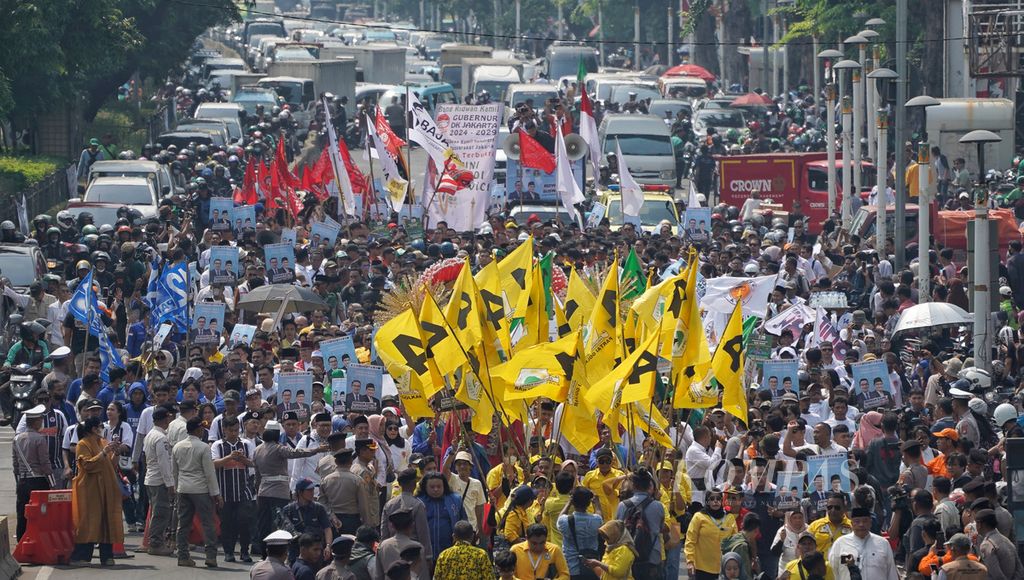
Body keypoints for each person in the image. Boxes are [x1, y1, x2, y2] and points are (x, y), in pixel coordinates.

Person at [69, 417, 124, 566]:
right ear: (93, 429)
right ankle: (81, 556)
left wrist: (116, 452)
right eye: (100, 426)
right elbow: (87, 465)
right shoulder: (82, 444)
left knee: (107, 520)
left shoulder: (103, 442)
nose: (102, 429)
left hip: (106, 488)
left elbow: (111, 464)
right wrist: (104, 453)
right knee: (89, 521)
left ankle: (107, 556)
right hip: (90, 489)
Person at [172, 415, 222, 568]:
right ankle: (211, 556)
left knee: (183, 524)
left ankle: (182, 555)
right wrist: (216, 494)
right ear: (199, 429)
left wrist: (176, 488)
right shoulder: (203, 447)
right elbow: (209, 473)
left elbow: (175, 471)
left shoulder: (177, 447)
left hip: (183, 488)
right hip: (200, 489)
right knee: (208, 523)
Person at [211, 415, 256, 562]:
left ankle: (244, 551)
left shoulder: (246, 444)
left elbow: (253, 464)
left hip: (243, 490)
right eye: (231, 430)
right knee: (227, 523)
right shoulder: (217, 445)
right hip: (225, 491)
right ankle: (228, 552)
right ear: (224, 430)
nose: (234, 433)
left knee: (244, 522)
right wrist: (230, 457)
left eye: (236, 430)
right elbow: (214, 464)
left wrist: (242, 459)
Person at [13, 404, 52, 540]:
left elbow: (15, 464)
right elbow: (44, 463)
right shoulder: (40, 439)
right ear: (36, 422)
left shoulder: (17, 439)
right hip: (38, 481)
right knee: (40, 513)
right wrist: (51, 481)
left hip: (23, 481)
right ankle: (37, 542)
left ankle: (22, 540)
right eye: (40, 420)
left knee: (23, 513)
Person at [827, 507, 899, 580]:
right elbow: (834, 571)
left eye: (865, 521)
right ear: (852, 524)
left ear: (870, 523)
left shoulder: (883, 543)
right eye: (857, 521)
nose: (861, 524)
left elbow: (891, 572)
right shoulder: (840, 543)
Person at [143, 405, 176, 556]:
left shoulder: (150, 434)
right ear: (165, 419)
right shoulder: (161, 438)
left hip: (151, 478)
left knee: (157, 512)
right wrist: (170, 483)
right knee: (161, 513)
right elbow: (164, 462)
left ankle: (155, 541)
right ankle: (156, 544)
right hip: (159, 480)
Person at [685, 489, 738, 580]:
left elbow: (735, 541)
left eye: (718, 498)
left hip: (724, 567)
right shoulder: (699, 517)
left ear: (722, 501)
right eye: (712, 499)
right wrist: (690, 562)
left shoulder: (730, 517)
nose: (715, 501)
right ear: (707, 501)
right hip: (702, 567)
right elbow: (690, 540)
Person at [321, 448, 372, 535]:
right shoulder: (357, 480)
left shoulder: (326, 480)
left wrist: (331, 516)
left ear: (336, 462)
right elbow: (363, 505)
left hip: (332, 520)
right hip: (352, 520)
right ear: (351, 461)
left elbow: (322, 502)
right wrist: (367, 525)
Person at [417, 471, 467, 559]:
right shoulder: (418, 502)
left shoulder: (455, 500)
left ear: (444, 486)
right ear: (425, 487)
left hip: (450, 553)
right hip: (425, 553)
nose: (436, 489)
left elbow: (463, 523)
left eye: (439, 486)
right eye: (432, 487)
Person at [374, 508, 427, 580]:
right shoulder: (418, 548)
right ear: (412, 525)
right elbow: (423, 576)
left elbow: (378, 576)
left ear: (392, 526)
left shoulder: (383, 546)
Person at [975, 508, 1024, 580]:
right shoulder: (1006, 540)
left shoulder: (987, 545)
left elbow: (997, 576)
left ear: (979, 524)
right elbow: (1020, 570)